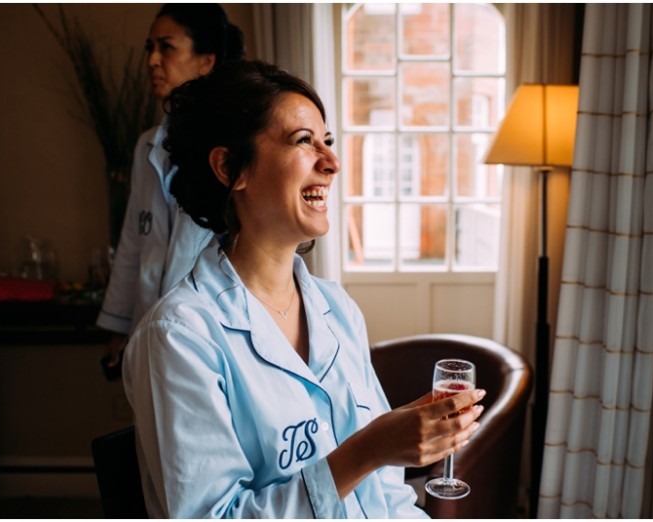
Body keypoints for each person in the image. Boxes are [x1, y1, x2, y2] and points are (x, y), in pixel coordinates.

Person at [122, 60, 487, 518]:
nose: (332, 163)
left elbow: (387, 498)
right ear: (230, 167)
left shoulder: (337, 309)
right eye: (302, 141)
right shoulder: (178, 337)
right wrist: (369, 448)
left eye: (327, 142)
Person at [96, 4, 245, 373]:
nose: (152, 60)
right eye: (150, 48)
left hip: (213, 331)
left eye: (167, 47)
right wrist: (119, 325)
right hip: (148, 324)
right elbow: (134, 238)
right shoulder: (148, 145)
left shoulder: (234, 148)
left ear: (205, 61)